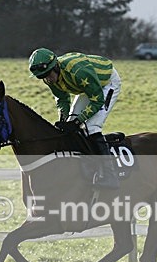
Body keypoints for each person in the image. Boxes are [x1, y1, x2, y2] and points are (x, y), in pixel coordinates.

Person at [28, 48, 121, 189]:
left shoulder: (78, 72)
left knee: (92, 126)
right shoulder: (49, 78)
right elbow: (62, 99)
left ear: (56, 67)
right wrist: (63, 121)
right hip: (85, 87)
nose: (47, 79)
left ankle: (110, 176)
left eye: (48, 74)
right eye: (42, 77)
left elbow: (97, 100)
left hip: (106, 83)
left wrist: (79, 121)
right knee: (71, 124)